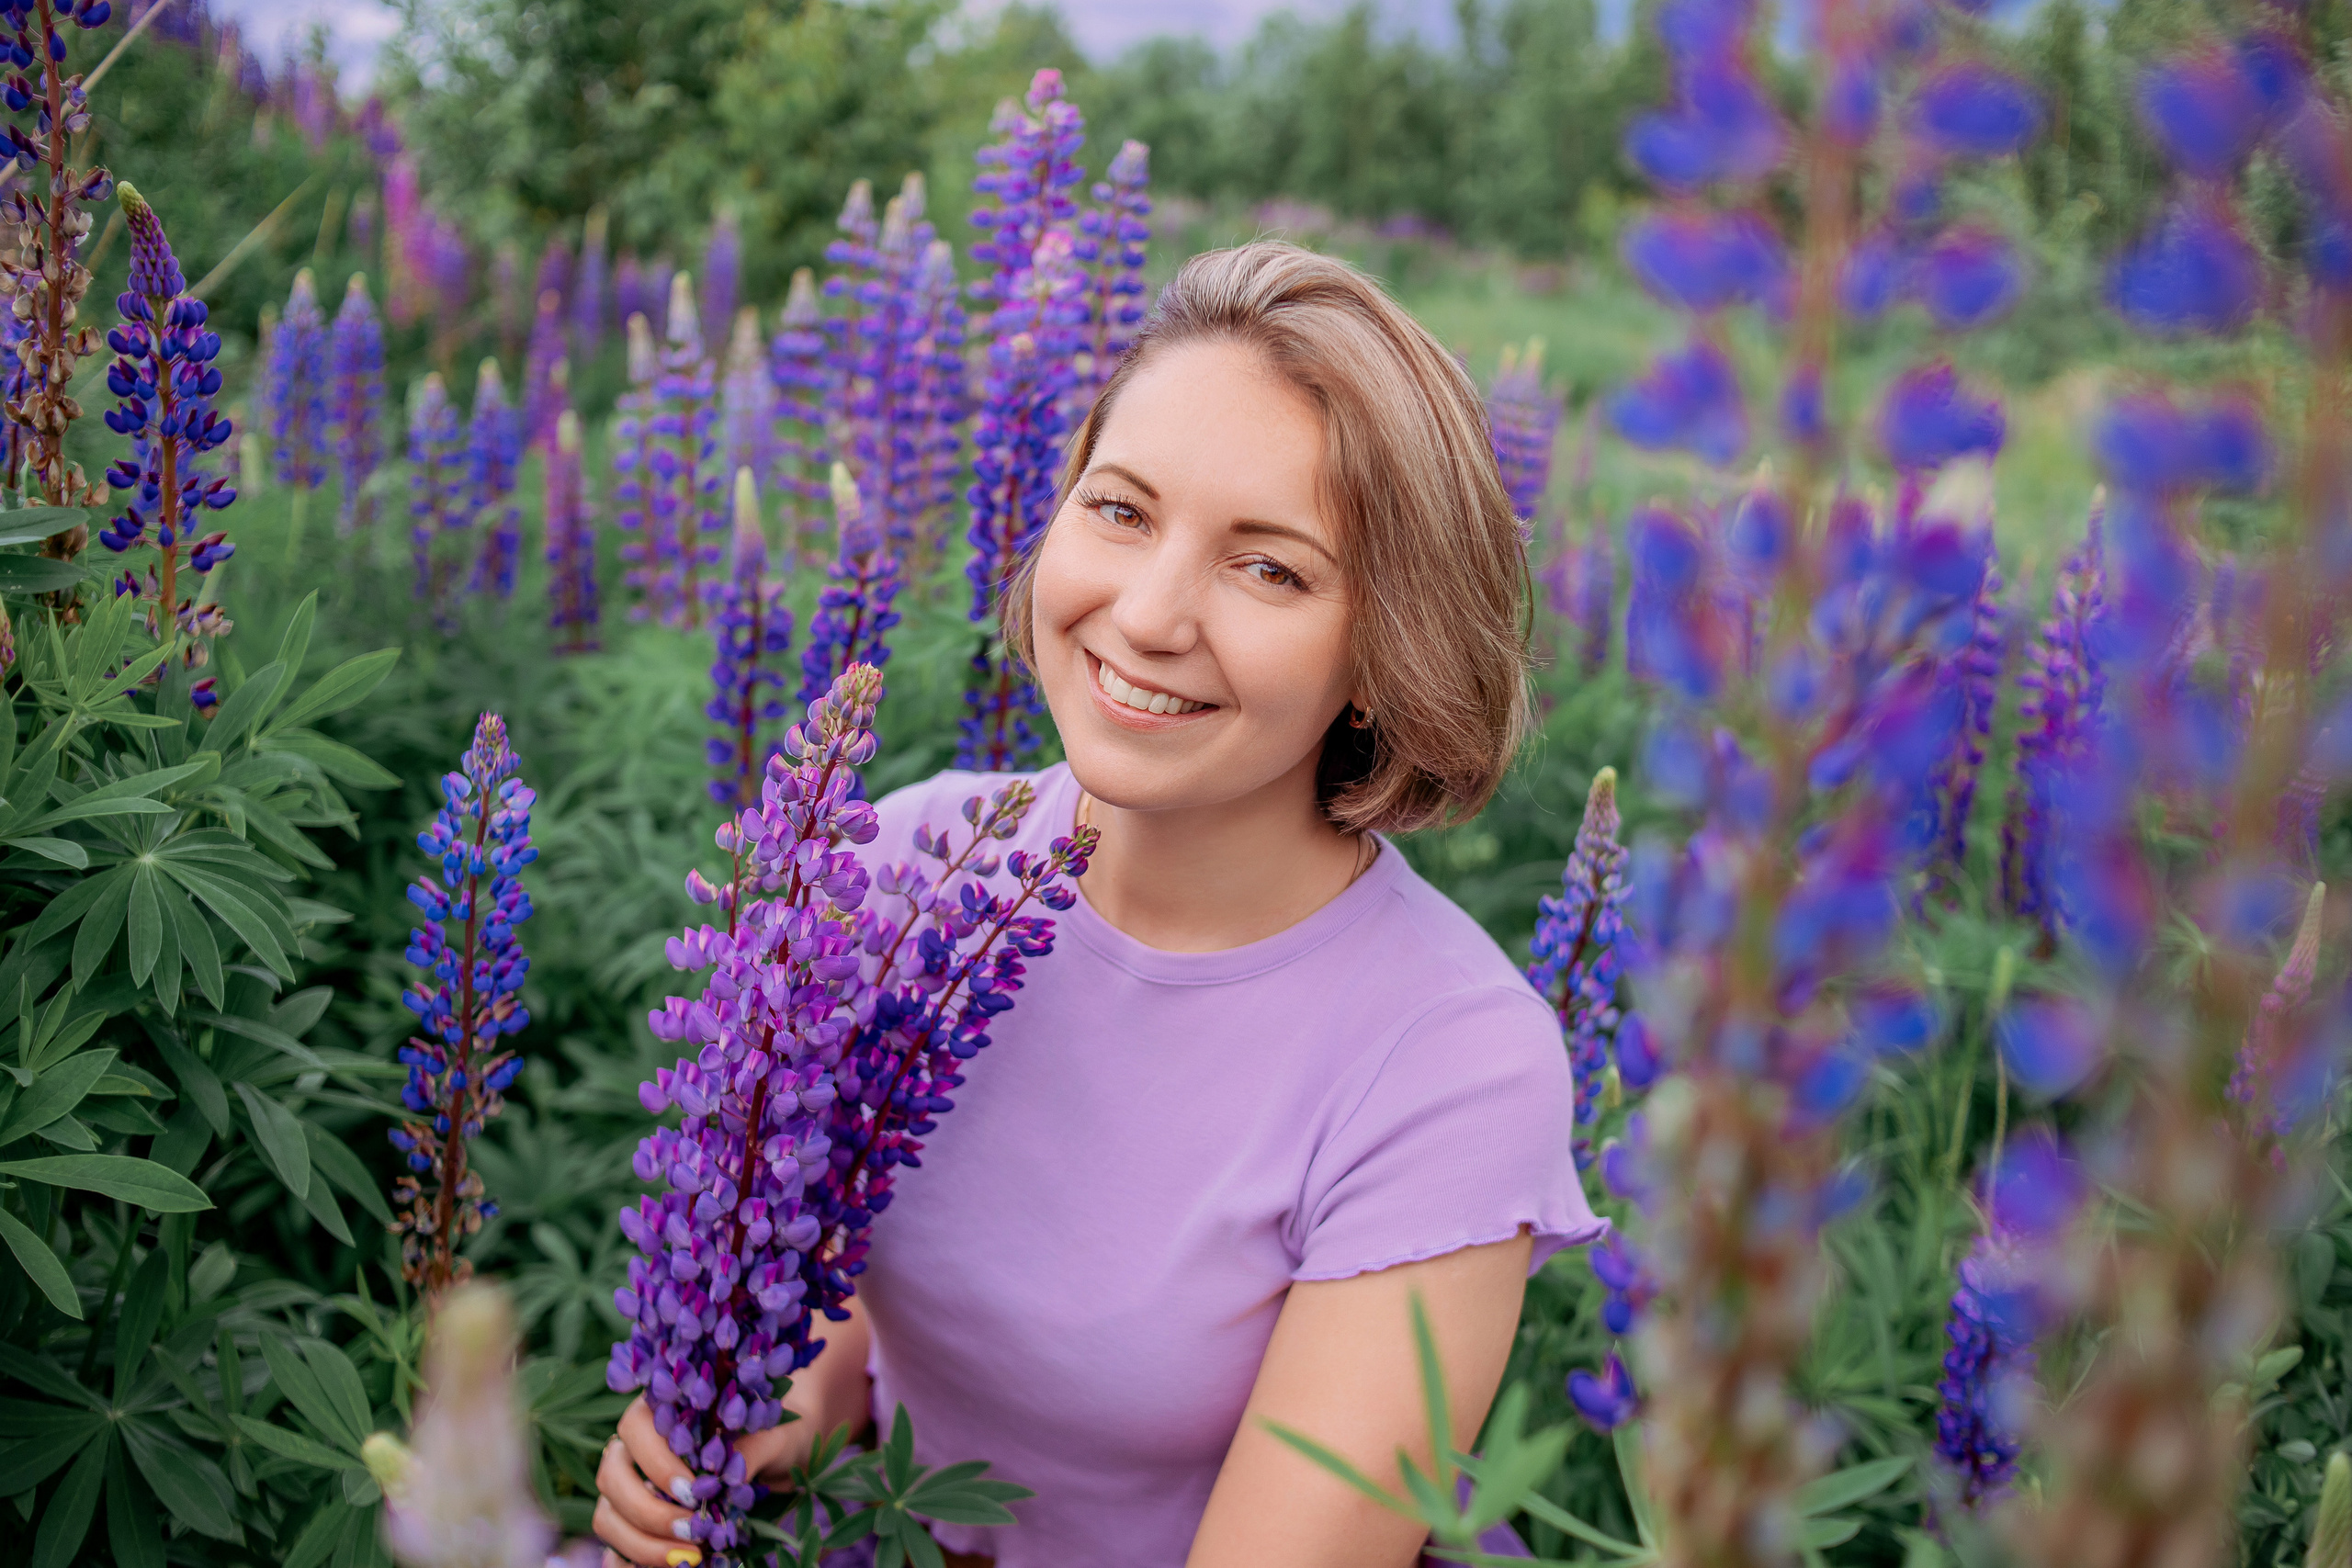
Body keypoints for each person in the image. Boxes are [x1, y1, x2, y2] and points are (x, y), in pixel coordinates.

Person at [594, 241, 1599, 1568]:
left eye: (1269, 568)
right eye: (1121, 510)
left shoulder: (1454, 1064)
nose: (1148, 611)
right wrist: (739, 1429)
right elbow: (833, 1323)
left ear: (1379, 659)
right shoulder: (897, 865)